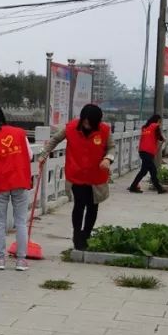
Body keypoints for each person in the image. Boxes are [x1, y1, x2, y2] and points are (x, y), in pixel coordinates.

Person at [39, 104, 115, 251]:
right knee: (79, 205)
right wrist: (44, 154)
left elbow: (111, 147)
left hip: (96, 176)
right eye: (85, 121)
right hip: (77, 174)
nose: (86, 124)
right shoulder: (71, 127)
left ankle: (86, 234)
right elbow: (54, 140)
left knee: (93, 207)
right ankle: (77, 235)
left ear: (96, 122)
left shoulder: (104, 130)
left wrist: (108, 159)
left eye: (90, 122)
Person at [0, 106, 34, 271]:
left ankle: (0, 259)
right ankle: (21, 260)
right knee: (21, 221)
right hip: (20, 181)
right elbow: (30, 155)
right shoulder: (20, 133)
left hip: (0, 184)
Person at [129, 114, 167, 194]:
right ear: (157, 120)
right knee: (153, 170)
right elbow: (159, 136)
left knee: (144, 171)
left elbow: (152, 136)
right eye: (160, 121)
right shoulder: (155, 126)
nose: (160, 123)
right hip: (148, 152)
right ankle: (159, 188)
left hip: (142, 150)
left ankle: (133, 186)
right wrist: (163, 138)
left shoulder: (145, 127)